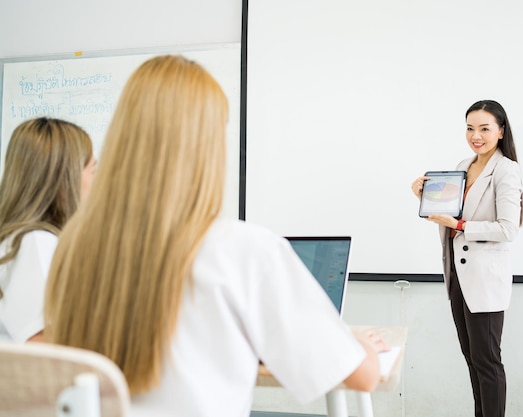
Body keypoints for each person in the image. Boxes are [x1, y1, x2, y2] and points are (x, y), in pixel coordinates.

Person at [44, 55, 387, 417]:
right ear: (205, 146)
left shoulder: (73, 245)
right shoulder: (243, 250)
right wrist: (357, 344)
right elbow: (363, 377)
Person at [411, 100, 523, 417]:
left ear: (501, 131)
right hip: (458, 276)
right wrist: (425, 194)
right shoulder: (463, 165)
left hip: (485, 279)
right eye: (470, 128)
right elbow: (450, 212)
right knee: (472, 359)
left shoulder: (506, 170)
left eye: (485, 128)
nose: (476, 135)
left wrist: (459, 226)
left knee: (487, 362)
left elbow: (508, 229)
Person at [0, 117, 95, 342]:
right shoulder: (36, 243)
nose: (96, 180)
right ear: (65, 180)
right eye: (92, 169)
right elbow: (44, 350)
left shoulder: (19, 241)